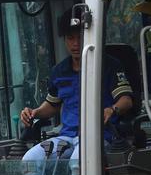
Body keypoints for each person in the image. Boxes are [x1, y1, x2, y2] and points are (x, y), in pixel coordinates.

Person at [20, 10, 134, 161]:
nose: (75, 44)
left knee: (77, 163)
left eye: (80, 38)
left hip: (100, 136)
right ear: (64, 39)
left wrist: (111, 110)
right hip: (66, 137)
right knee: (30, 161)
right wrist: (33, 113)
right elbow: (52, 105)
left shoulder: (109, 65)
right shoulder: (59, 71)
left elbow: (126, 100)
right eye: (70, 38)